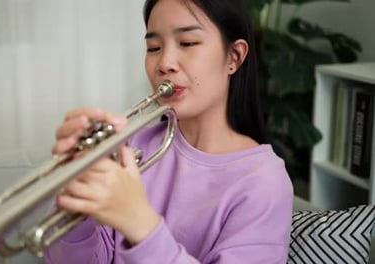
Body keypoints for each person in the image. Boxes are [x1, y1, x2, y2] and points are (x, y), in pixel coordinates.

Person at [45, 0, 293, 263]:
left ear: (234, 57)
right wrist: (75, 203)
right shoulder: (132, 147)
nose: (164, 63)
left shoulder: (263, 181)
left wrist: (140, 224)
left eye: (187, 43)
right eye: (153, 47)